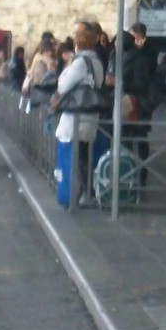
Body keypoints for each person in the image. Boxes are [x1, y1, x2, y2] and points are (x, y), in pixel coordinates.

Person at [52, 24, 104, 206]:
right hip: (89, 117)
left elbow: (62, 85)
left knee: (74, 160)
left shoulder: (80, 63)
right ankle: (85, 195)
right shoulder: (97, 61)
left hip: (76, 118)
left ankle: (76, 196)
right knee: (84, 158)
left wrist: (67, 67)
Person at [122, 22, 156, 188]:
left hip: (138, 104)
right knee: (133, 139)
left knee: (138, 139)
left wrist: (121, 84)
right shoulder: (136, 55)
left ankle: (138, 175)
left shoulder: (145, 54)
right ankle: (133, 174)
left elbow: (143, 80)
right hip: (137, 104)